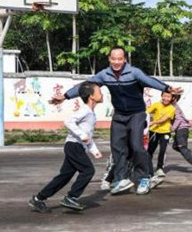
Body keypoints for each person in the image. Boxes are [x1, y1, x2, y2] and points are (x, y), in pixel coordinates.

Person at [50, 47, 182, 196]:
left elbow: (150, 81)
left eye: (120, 59)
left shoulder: (134, 72)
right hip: (119, 115)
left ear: (125, 59)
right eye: (114, 59)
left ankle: (144, 178)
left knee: (137, 146)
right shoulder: (105, 75)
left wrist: (167, 88)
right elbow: (85, 86)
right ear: (109, 59)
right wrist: (65, 96)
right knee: (117, 147)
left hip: (136, 114)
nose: (117, 62)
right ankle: (121, 179)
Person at [29, 82, 104, 212]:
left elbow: (88, 136)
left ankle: (38, 199)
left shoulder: (91, 114)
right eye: (99, 92)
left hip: (76, 146)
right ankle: (71, 197)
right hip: (74, 146)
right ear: (91, 96)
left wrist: (94, 150)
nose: (102, 94)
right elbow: (68, 121)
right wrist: (81, 135)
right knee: (88, 170)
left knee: (64, 176)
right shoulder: (85, 111)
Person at [170, 93, 192, 174]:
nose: (166, 98)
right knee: (175, 146)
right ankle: (190, 153)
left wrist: (172, 128)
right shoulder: (173, 106)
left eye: (169, 97)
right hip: (181, 129)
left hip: (181, 130)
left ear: (174, 99)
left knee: (182, 148)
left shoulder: (174, 107)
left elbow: (179, 119)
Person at [146, 91, 175, 178]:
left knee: (162, 150)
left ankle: (159, 169)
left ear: (172, 98)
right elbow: (146, 112)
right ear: (161, 96)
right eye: (165, 96)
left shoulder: (172, 109)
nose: (166, 98)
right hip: (154, 131)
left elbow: (164, 119)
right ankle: (148, 168)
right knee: (150, 151)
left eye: (168, 97)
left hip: (165, 132)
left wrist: (152, 122)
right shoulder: (156, 104)